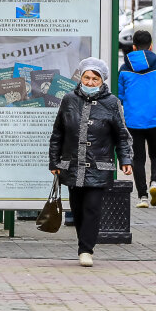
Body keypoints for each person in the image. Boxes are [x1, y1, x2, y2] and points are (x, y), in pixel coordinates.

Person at [48, 57, 133, 267]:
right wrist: (53, 162)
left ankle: (86, 250)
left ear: (102, 80)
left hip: (98, 166)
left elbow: (121, 135)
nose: (90, 82)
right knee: (77, 209)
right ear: (81, 78)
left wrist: (125, 159)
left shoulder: (112, 103)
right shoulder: (69, 99)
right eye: (87, 77)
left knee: (92, 207)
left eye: (95, 78)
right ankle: (83, 243)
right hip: (73, 164)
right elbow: (57, 133)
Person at [118, 30, 156, 208]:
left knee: (138, 159)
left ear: (133, 47)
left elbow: (120, 95)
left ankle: (142, 196)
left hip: (133, 120)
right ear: (151, 46)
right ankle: (155, 184)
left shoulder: (124, 68)